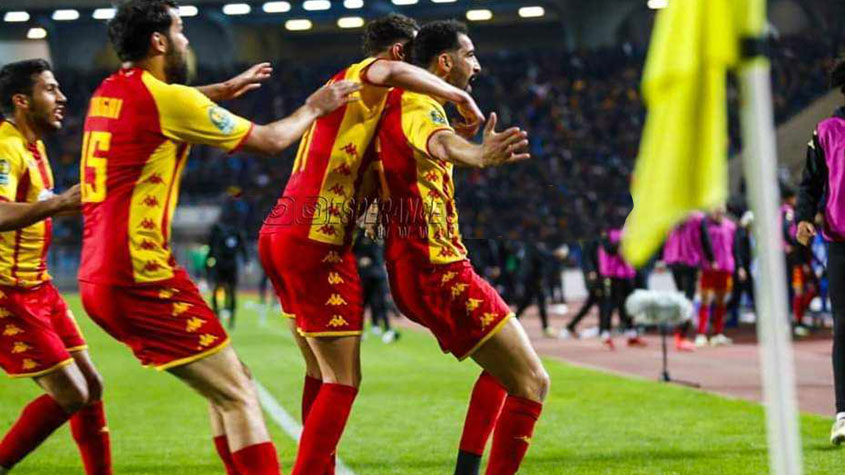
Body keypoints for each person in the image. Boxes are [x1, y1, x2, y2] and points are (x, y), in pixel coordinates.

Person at [77, 2, 359, 473]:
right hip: (139, 276)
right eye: (180, 30)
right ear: (158, 41)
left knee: (230, 382)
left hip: (99, 275)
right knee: (238, 394)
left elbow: (166, 104)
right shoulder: (170, 101)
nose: (186, 40)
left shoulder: (109, 91)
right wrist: (315, 106)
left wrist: (219, 92)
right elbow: (271, 140)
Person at [257, 14, 485, 474]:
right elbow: (390, 70)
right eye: (414, 56)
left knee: (321, 373)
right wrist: (460, 98)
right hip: (316, 234)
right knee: (344, 379)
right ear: (400, 52)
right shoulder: (371, 75)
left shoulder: (354, 96)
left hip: (284, 225)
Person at [375, 20, 546, 475]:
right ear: (445, 62)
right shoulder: (419, 105)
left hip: (419, 267)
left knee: (504, 370)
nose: (478, 65)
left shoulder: (401, 105)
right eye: (470, 55)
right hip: (437, 269)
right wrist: (479, 155)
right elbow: (442, 143)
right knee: (533, 382)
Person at [0, 60, 112, 475]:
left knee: (92, 388)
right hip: (7, 292)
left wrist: (82, 204)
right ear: (21, 101)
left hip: (39, 287)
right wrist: (62, 202)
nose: (62, 98)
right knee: (71, 394)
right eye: (50, 89)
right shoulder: (5, 146)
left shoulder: (35, 147)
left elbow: (37, 205)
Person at [795, 58, 845, 446]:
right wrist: (802, 217)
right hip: (841, 241)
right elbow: (810, 182)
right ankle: (843, 413)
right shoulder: (827, 130)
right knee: (844, 327)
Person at [696, 207, 742, 347]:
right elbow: (700, 246)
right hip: (708, 268)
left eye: (720, 208)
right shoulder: (704, 225)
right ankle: (701, 333)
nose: (718, 211)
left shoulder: (731, 226)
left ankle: (718, 333)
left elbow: (735, 248)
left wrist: (740, 266)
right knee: (706, 300)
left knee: (721, 301)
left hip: (726, 267)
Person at [597, 227, 646, 350]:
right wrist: (623, 242)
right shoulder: (607, 231)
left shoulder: (628, 230)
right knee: (610, 304)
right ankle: (605, 335)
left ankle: (631, 334)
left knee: (629, 304)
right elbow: (609, 249)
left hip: (627, 273)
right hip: (612, 273)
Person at [663, 212, 704, 351]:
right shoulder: (697, 219)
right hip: (688, 262)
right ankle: (681, 335)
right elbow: (704, 239)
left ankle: (679, 335)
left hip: (675, 261)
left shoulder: (670, 217)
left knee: (682, 298)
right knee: (687, 299)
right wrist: (710, 259)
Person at [207, 201, 249, 329]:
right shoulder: (224, 229)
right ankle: (227, 315)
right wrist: (246, 261)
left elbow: (211, 246)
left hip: (222, 263)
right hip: (227, 263)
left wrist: (208, 262)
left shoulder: (221, 229)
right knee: (228, 290)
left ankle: (222, 314)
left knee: (221, 289)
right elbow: (242, 247)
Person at [514, 241, 556, 337]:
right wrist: (554, 254)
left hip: (535, 277)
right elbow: (538, 257)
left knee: (530, 302)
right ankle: (545, 327)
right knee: (535, 302)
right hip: (533, 278)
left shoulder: (536, 244)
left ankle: (545, 327)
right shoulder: (532, 244)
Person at [564, 238, 603, 338]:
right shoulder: (592, 241)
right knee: (597, 303)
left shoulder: (595, 240)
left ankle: (603, 327)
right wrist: (591, 271)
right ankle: (603, 328)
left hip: (599, 276)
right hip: (595, 277)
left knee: (596, 303)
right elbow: (587, 259)